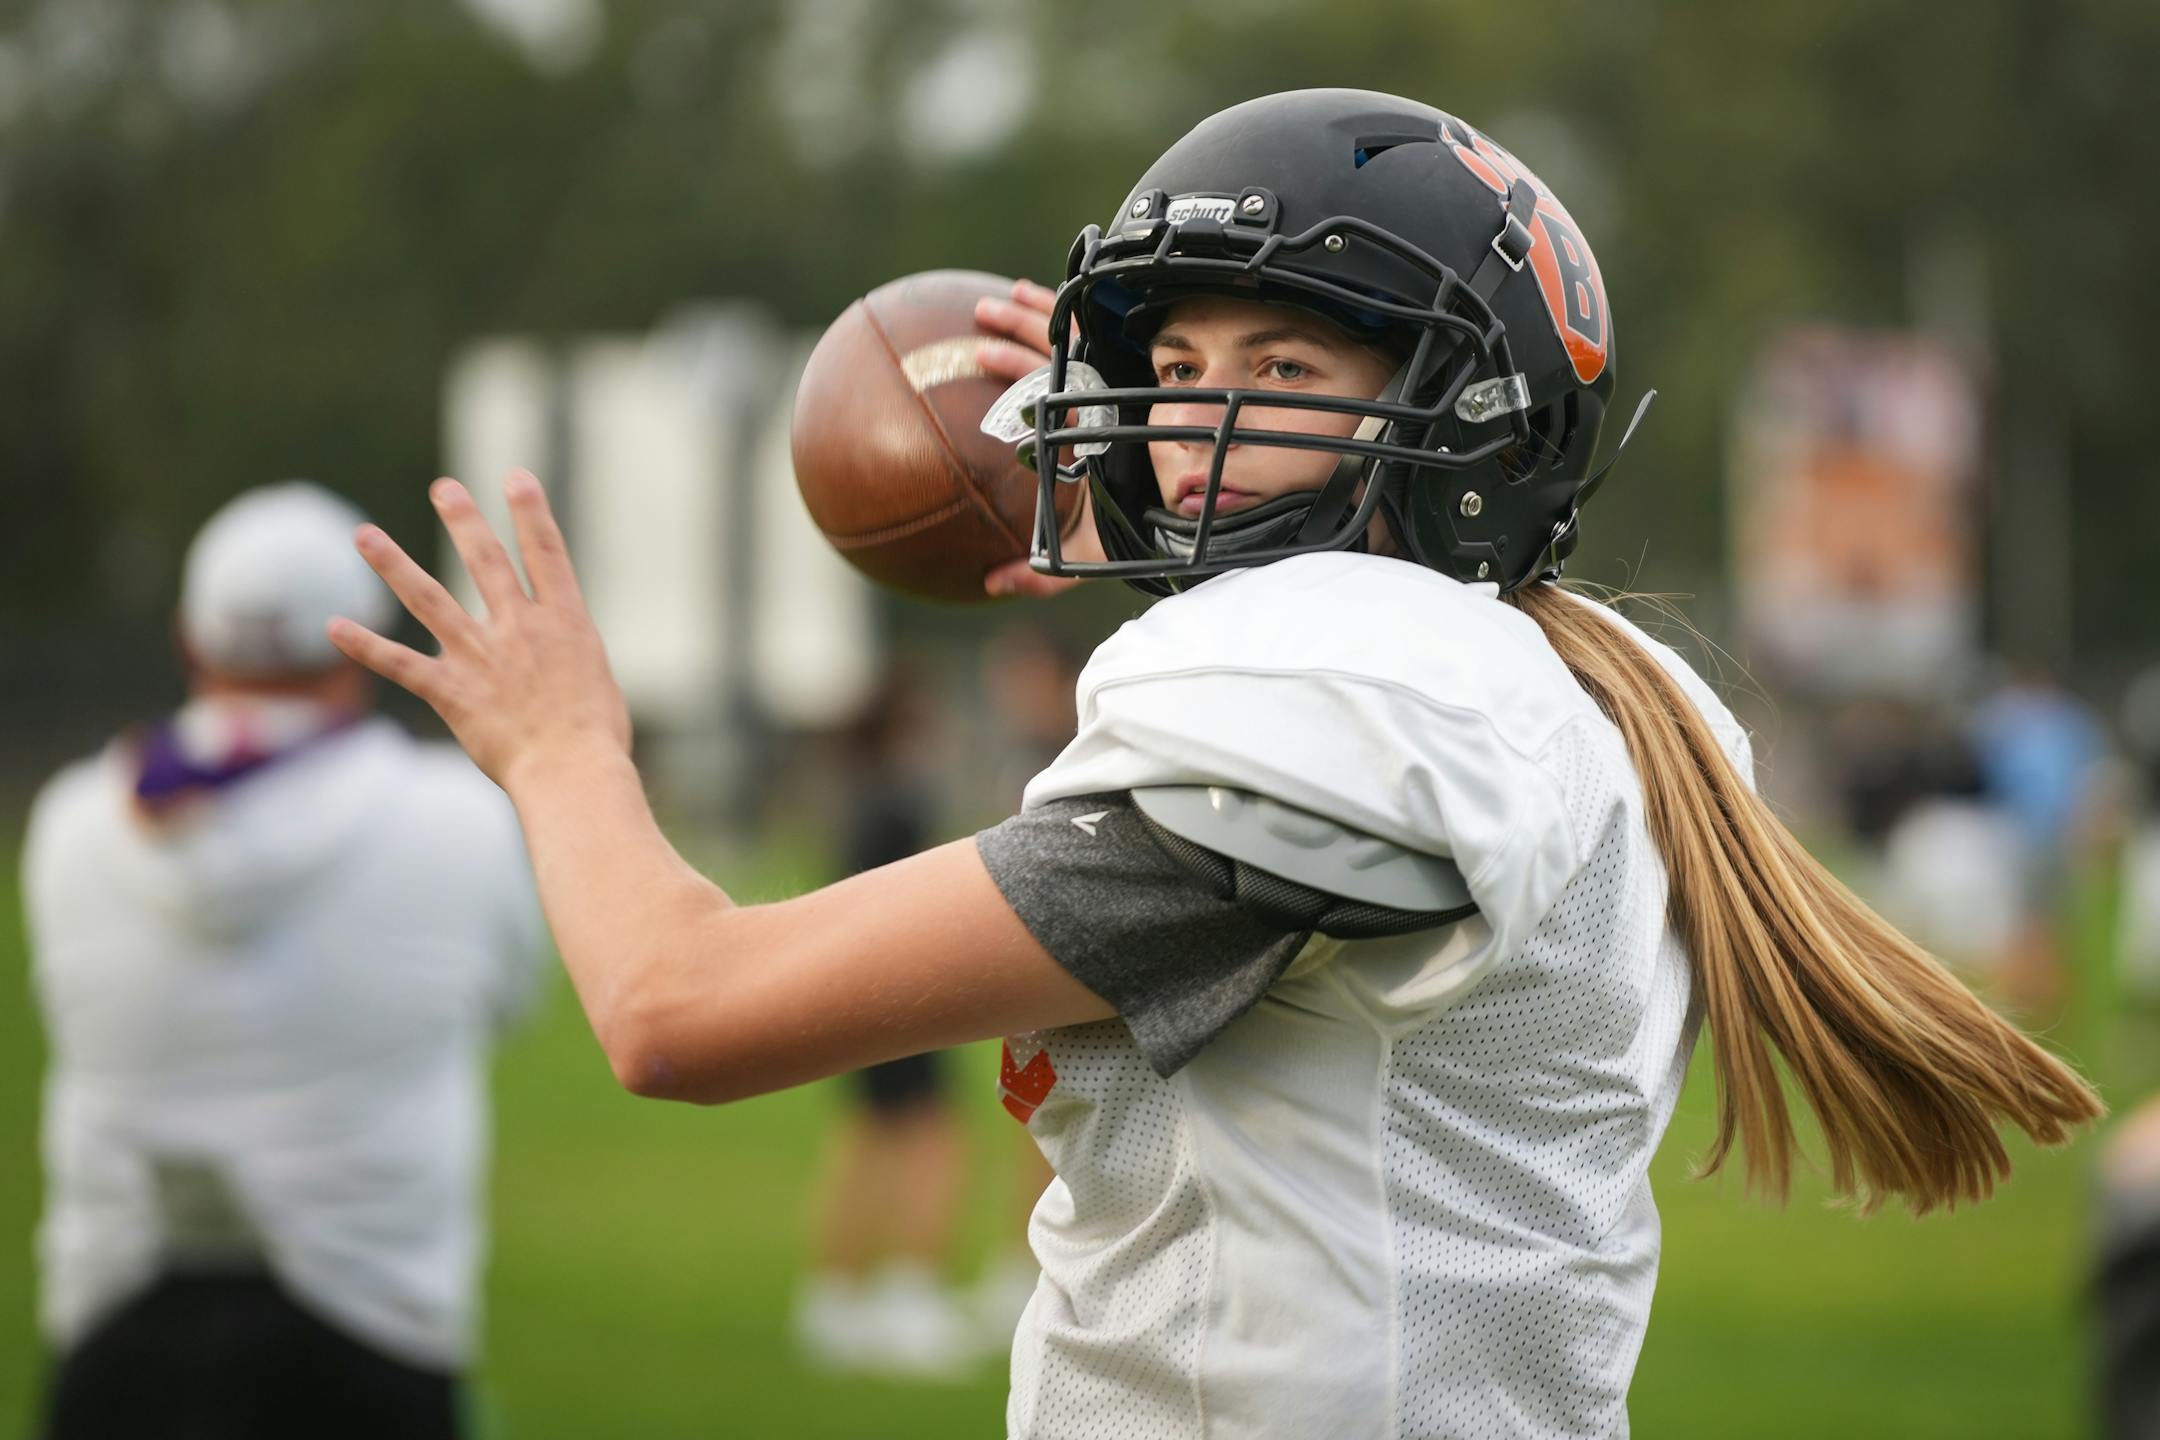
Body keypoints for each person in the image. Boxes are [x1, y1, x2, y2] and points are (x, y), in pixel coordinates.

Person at [330, 90, 2103, 1438]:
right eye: (1171, 368)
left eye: (1281, 365)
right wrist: (1162, 477)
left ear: (1472, 406)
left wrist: (561, 749)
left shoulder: (1347, 703)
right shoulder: (1564, 681)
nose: (1192, 422)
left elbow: (678, 1006)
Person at [24, 483, 544, 1440]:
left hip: (115, 1330)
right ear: (364, 643)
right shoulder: (461, 819)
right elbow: (511, 1000)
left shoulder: (67, 824)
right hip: (377, 1325)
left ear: (190, 640)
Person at [793, 662, 980, 1377]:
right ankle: (909, 1295)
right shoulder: (899, 802)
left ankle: (833, 1300)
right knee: (936, 1142)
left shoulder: (860, 798)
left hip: (858, 999)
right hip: (904, 1000)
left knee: (865, 1143)